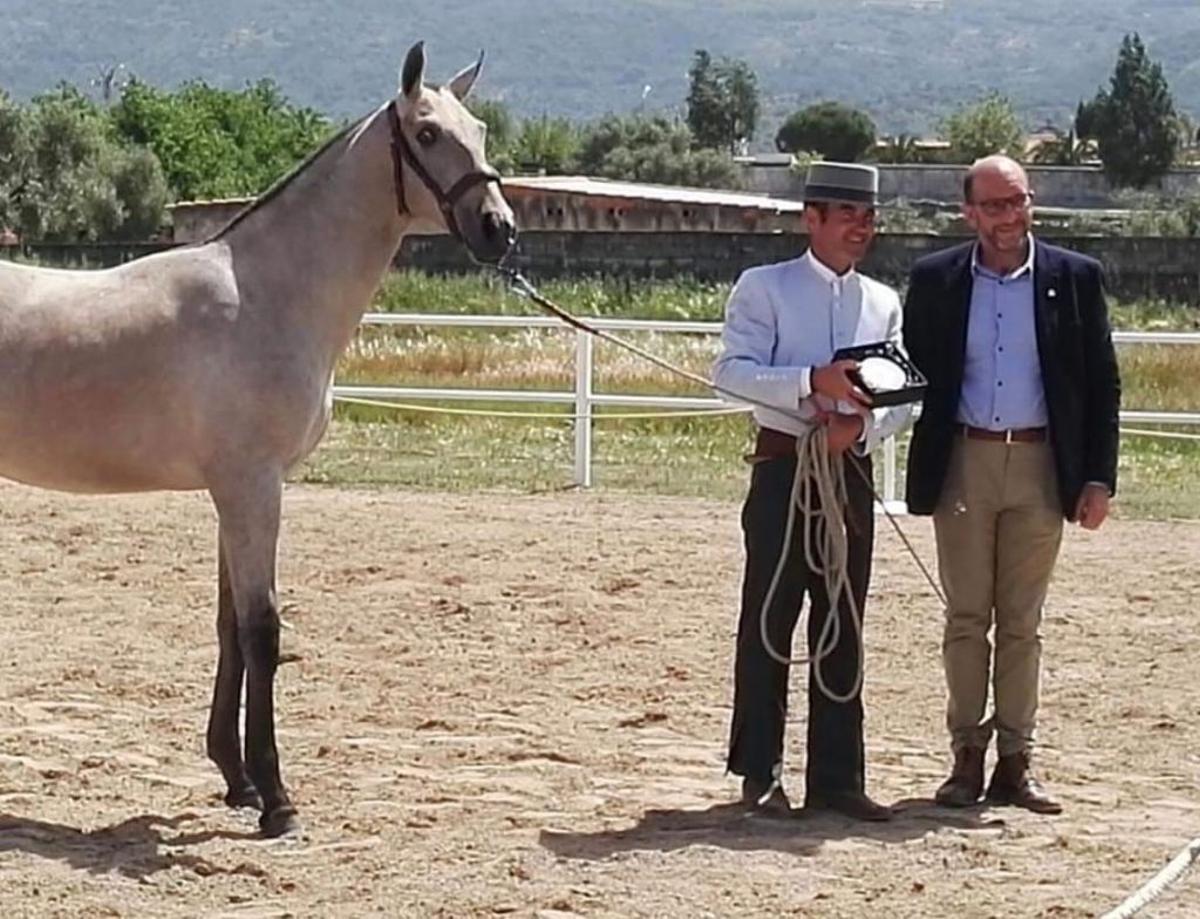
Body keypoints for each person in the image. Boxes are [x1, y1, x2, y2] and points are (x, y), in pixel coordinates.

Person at [903, 155, 1121, 814]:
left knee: (1023, 621)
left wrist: (1098, 476)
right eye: (992, 206)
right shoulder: (934, 280)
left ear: (1032, 202)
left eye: (1016, 202)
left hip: (1040, 463)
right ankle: (965, 755)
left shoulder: (1076, 279)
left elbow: (1102, 381)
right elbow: (907, 370)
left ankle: (1016, 760)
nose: (1006, 217)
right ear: (968, 211)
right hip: (964, 460)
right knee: (966, 616)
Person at [714, 162, 913, 821]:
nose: (861, 227)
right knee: (769, 618)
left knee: (843, 617)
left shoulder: (883, 300)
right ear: (812, 218)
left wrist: (861, 426)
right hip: (782, 471)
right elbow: (733, 374)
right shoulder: (763, 288)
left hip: (847, 476)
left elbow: (903, 392)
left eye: (868, 216)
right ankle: (760, 771)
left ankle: (837, 775)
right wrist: (811, 382)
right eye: (847, 214)